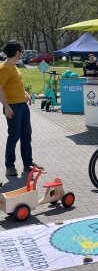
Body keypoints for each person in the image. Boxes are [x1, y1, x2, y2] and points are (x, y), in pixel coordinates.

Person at [0, 41, 43, 176]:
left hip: (22, 105)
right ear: (17, 52)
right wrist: (6, 107)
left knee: (26, 135)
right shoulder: (5, 67)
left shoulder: (14, 66)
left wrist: (25, 93)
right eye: (21, 51)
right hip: (13, 107)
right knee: (14, 136)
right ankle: (10, 166)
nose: (22, 54)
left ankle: (28, 164)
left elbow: (15, 84)